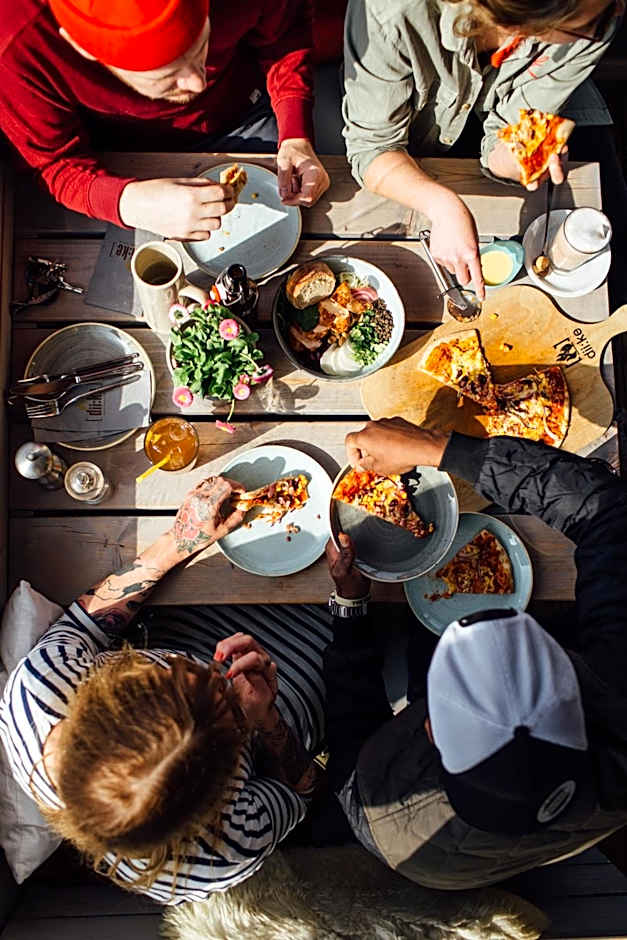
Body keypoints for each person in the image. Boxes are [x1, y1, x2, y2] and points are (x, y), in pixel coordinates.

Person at [323, 417, 627, 888]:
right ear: (569, 669)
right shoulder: (617, 678)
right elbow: (609, 512)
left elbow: (349, 727)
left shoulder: (385, 822)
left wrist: (350, 606)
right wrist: (437, 447)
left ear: (428, 726)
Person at [0, 476, 334, 902]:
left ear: (109, 689)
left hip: (190, 616)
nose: (215, 670)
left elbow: (85, 624)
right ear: (218, 786)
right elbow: (304, 789)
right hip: (294, 684)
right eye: (228, 715)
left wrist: (180, 539)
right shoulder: (224, 851)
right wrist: (267, 721)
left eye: (174, 673)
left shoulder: (40, 688)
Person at [343, 0, 625, 299]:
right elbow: (373, 146)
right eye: (580, 26)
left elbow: (505, 141)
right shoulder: (391, 10)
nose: (619, 11)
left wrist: (519, 160)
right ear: (516, 25)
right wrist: (442, 207)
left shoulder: (598, 18)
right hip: (414, 132)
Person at [0, 0, 331, 239]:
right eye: (168, 76)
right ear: (83, 48)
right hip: (117, 161)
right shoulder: (17, 42)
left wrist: (296, 131)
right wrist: (131, 203)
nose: (198, 83)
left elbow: (284, 32)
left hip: (242, 110)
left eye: (201, 46)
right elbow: (53, 164)